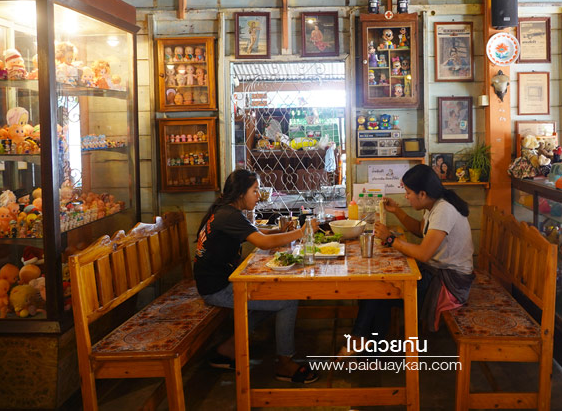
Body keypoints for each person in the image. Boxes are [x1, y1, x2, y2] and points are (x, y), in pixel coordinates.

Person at [193, 169, 319, 383]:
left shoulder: (226, 211)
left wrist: (282, 232)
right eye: (255, 190)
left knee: (270, 298)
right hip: (217, 288)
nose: (258, 195)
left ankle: (227, 349)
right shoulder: (228, 215)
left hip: (218, 281)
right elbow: (262, 243)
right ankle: (285, 364)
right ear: (241, 193)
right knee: (287, 300)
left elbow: (259, 235)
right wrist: (303, 231)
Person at [339, 164, 474, 356]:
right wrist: (397, 212)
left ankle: (360, 340)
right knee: (380, 288)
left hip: (449, 284)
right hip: (437, 274)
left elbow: (423, 254)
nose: (406, 196)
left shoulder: (444, 210)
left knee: (382, 291)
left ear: (423, 193)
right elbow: (421, 230)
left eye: (408, 192)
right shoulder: (435, 205)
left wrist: (391, 239)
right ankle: (368, 348)